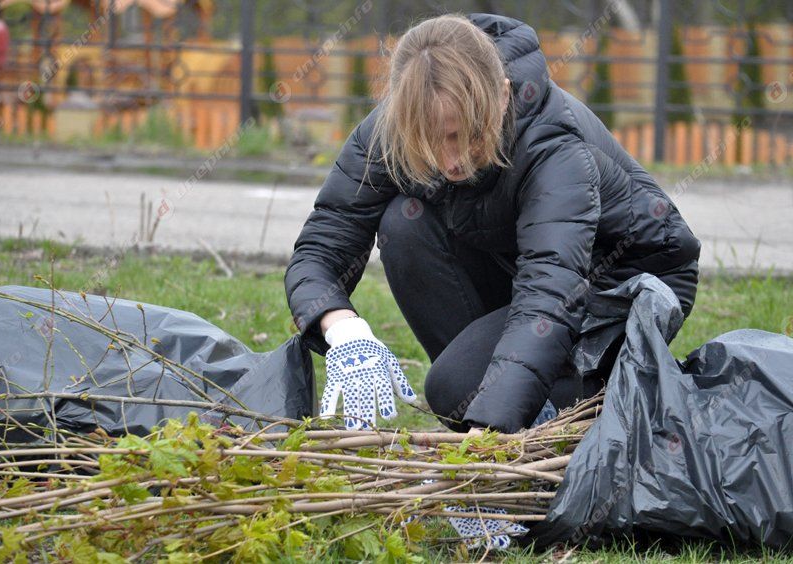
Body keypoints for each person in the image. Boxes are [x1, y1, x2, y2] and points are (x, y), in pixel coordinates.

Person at [284, 12, 700, 434]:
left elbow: (549, 293)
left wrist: (491, 430)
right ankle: (498, 402)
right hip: (515, 258)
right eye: (432, 140)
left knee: (456, 388)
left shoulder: (554, 147)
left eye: (465, 134)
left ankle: (555, 411)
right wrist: (342, 325)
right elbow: (322, 245)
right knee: (404, 224)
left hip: (619, 281)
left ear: (502, 96)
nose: (451, 160)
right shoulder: (398, 126)